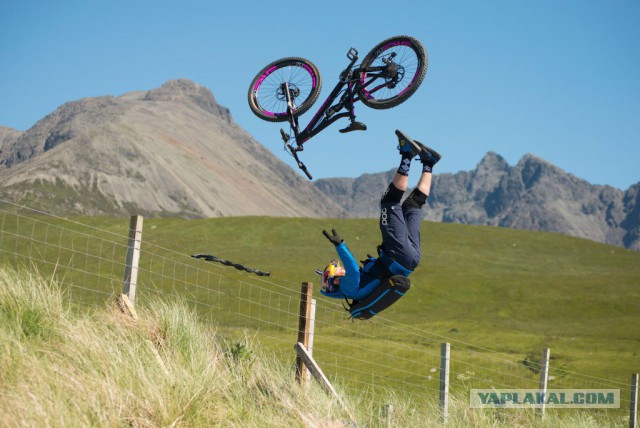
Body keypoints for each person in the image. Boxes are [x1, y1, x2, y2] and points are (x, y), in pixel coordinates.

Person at [320, 129, 441, 302]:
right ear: (335, 280)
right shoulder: (347, 288)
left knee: (412, 205)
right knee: (389, 201)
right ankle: (407, 153)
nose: (339, 268)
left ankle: (429, 162)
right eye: (336, 269)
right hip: (397, 255)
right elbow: (353, 269)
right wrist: (340, 246)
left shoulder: (353, 291)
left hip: (410, 261)